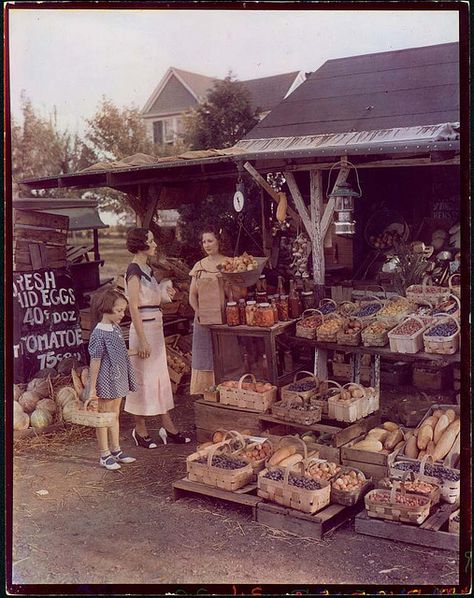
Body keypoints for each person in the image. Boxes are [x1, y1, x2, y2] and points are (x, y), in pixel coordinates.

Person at [124, 227, 191, 447]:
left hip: (155, 328)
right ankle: (140, 430)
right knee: (142, 381)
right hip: (142, 331)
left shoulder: (148, 269)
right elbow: (133, 307)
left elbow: (151, 301)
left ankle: (168, 427)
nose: (154, 245)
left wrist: (164, 295)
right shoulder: (133, 271)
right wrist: (142, 340)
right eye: (150, 241)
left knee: (160, 380)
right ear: (140, 245)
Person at [188, 225, 245, 394]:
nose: (206, 244)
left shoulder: (228, 263)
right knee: (205, 355)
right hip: (203, 319)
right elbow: (192, 295)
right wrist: (197, 311)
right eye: (204, 241)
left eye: (210, 240)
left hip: (225, 317)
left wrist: (229, 284)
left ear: (219, 241)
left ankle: (229, 390)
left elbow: (239, 294)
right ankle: (207, 391)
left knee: (226, 354)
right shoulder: (199, 266)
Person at [88, 288, 137, 471]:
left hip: (118, 378)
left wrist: (136, 352)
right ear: (106, 309)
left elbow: (120, 352)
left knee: (115, 415)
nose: (122, 314)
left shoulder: (115, 328)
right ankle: (104, 454)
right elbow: (95, 360)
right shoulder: (99, 333)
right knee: (103, 416)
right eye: (119, 311)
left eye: (123, 310)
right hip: (106, 380)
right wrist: (92, 388)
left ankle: (116, 450)